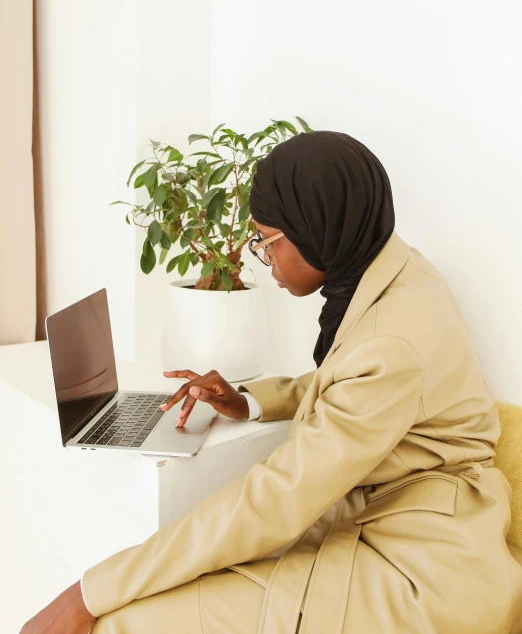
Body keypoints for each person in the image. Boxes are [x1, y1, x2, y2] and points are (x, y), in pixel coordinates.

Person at [21, 130, 522, 633]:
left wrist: (88, 592)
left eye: (267, 239)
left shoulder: (390, 344)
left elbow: (275, 500)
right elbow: (350, 383)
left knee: (121, 623)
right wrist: (250, 402)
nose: (263, 257)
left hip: (422, 576)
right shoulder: (396, 271)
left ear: (318, 226)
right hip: (406, 527)